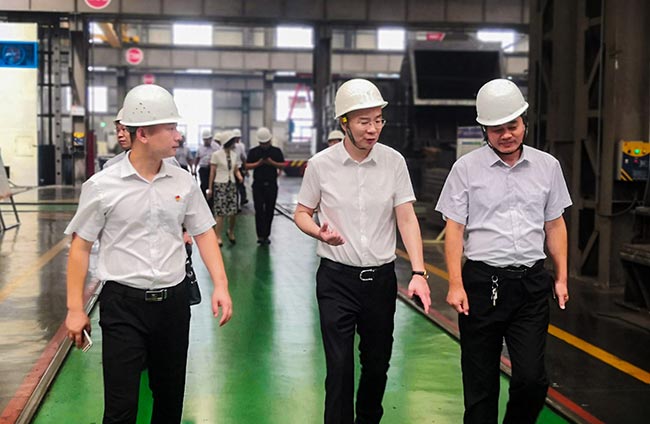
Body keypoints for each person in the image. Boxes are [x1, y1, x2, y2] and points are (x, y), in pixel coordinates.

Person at [64, 84, 233, 423]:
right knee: (121, 408)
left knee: (169, 401)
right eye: (170, 128)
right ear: (142, 134)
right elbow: (81, 247)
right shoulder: (102, 186)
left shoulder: (183, 182)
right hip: (122, 306)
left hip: (173, 306)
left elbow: (203, 233)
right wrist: (74, 309)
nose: (177, 136)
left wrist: (221, 285)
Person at [294, 78, 432, 424]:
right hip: (336, 280)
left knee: (376, 364)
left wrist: (418, 272)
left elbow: (406, 218)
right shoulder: (321, 165)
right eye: (364, 121)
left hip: (380, 282)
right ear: (344, 123)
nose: (373, 129)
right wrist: (318, 232)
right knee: (339, 366)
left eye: (378, 120)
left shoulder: (394, 162)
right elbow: (302, 212)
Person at [435, 78, 572, 424]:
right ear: (484, 130)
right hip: (481, 286)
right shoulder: (466, 169)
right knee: (480, 386)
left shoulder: (548, 167)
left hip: (530, 286)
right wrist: (455, 283)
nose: (506, 135)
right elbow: (455, 229)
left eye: (513, 126)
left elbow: (555, 225)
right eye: (497, 129)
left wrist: (561, 278)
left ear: (525, 121)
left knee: (532, 380)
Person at [245, 127, 285, 245]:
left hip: (271, 185)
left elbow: (283, 165)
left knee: (269, 210)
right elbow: (246, 166)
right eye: (262, 143)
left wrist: (272, 163)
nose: (264, 145)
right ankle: (260, 235)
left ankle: (266, 235)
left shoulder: (276, 151)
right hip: (258, 185)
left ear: (270, 140)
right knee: (259, 210)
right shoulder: (254, 152)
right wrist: (259, 163)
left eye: (266, 143)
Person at [207, 131, 243, 246]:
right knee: (220, 213)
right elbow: (212, 172)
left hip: (231, 184)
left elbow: (235, 169)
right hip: (220, 184)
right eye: (232, 141)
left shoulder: (234, 155)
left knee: (233, 212)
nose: (234, 143)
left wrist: (239, 176)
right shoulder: (216, 155)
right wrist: (210, 188)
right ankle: (218, 236)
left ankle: (230, 231)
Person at [195, 128, 218, 207]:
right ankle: (203, 203)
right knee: (204, 185)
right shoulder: (200, 148)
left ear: (211, 138)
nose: (206, 141)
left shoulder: (216, 147)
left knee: (212, 185)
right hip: (203, 169)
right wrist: (194, 169)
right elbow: (197, 159)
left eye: (208, 139)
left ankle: (212, 203)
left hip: (213, 169)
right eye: (205, 140)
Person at [232, 128, 249, 209]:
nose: (237, 140)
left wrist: (246, 169)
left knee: (240, 185)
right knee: (234, 187)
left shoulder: (241, 146)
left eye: (238, 138)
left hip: (239, 167)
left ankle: (242, 200)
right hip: (231, 169)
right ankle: (235, 203)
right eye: (236, 138)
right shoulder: (228, 146)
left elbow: (243, 158)